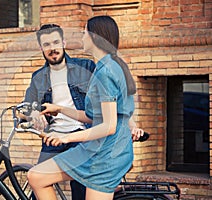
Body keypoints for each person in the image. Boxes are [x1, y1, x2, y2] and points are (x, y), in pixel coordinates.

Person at [27, 15, 137, 200]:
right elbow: (92, 116)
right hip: (100, 149)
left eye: (85, 32)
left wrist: (65, 138)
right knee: (36, 176)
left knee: (37, 177)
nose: (82, 37)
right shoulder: (107, 67)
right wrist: (59, 109)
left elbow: (108, 126)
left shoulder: (104, 72)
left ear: (95, 36)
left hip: (106, 154)